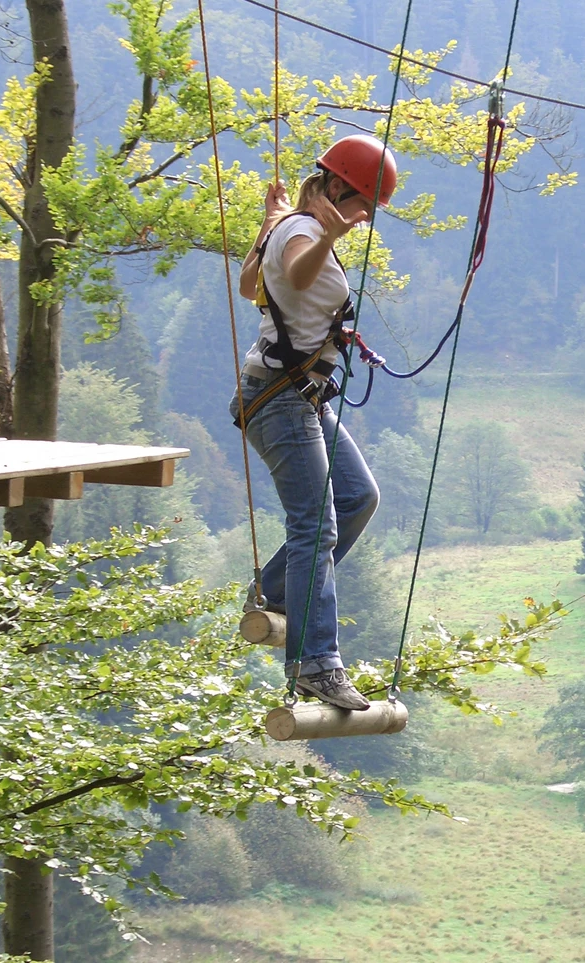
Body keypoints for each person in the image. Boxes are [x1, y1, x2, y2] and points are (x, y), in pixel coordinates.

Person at [230, 135, 397, 711]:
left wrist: (272, 223)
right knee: (316, 525)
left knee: (357, 498)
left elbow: (252, 287)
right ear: (336, 187)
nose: (366, 215)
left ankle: (274, 590)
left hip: (297, 395)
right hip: (280, 401)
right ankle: (315, 665)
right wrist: (324, 234)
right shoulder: (306, 232)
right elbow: (297, 278)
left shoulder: (289, 223)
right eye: (364, 203)